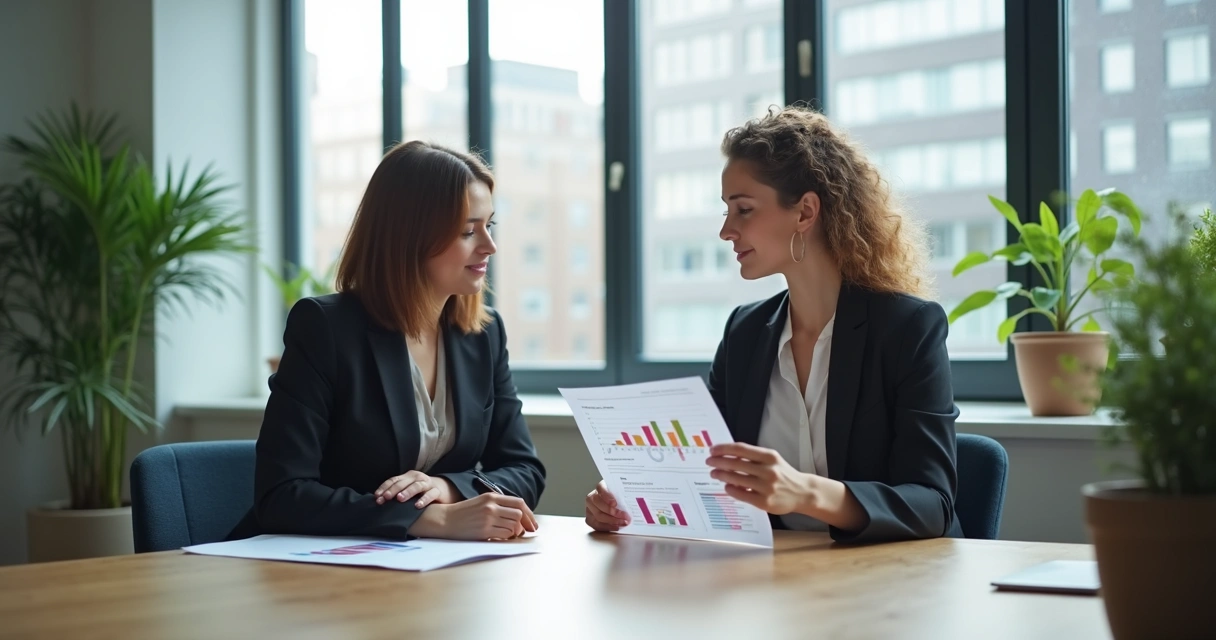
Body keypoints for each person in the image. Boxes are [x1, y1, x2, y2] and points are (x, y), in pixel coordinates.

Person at [585, 106, 963, 543]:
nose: (727, 230)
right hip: (774, 575)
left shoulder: (908, 327)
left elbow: (933, 504)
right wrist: (629, 497)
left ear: (805, 212)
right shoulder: (745, 333)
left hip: (891, 580)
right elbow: (707, 475)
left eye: (743, 209)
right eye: (727, 210)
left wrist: (805, 493)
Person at [228, 140, 545, 542]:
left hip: (430, 573)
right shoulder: (325, 328)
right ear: (411, 237)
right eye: (468, 231)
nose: (489, 246)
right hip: (312, 573)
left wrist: (447, 489)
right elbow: (282, 495)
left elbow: (525, 470)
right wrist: (430, 519)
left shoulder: (483, 334)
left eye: (489, 225)